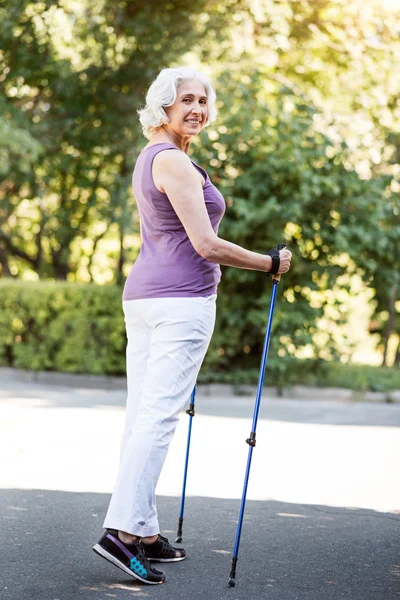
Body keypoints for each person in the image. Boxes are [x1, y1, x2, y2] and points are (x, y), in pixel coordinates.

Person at [92, 66, 292, 585]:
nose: (198, 107)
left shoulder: (151, 157)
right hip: (180, 303)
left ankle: (142, 527)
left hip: (146, 298)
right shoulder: (173, 162)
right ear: (163, 105)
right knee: (157, 418)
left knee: (143, 416)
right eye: (187, 99)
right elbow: (205, 244)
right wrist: (268, 263)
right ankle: (119, 531)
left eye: (204, 99)